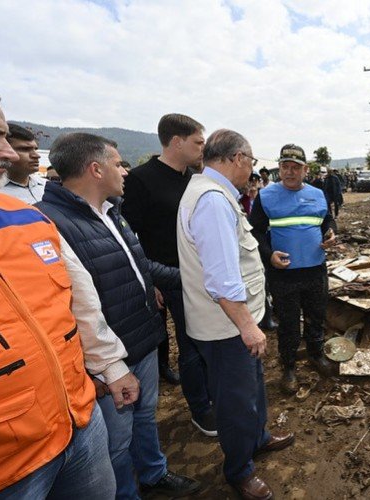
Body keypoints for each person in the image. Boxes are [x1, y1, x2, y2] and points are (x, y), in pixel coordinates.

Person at [0, 78, 120, 498]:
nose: (9, 152)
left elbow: (79, 302)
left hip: (78, 425)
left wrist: (108, 364)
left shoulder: (26, 218)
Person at [37, 133, 201, 499]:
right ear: (95, 169)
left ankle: (154, 472)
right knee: (115, 441)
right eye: (117, 164)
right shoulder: (51, 224)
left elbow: (140, 266)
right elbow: (80, 307)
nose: (125, 172)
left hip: (140, 338)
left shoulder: (113, 212)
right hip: (108, 358)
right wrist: (109, 366)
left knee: (145, 417)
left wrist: (193, 279)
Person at [177, 129, 294, 500]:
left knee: (252, 388)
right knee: (234, 400)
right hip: (226, 328)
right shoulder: (212, 200)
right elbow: (222, 278)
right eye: (252, 161)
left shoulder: (214, 194)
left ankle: (257, 438)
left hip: (236, 322)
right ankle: (240, 469)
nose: (251, 169)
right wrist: (248, 327)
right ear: (238, 159)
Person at [121, 113, 217, 436]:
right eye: (198, 142)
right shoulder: (141, 179)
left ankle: (210, 395)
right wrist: (151, 282)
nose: (203, 148)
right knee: (190, 345)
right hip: (170, 279)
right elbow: (129, 239)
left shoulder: (194, 178)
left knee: (207, 340)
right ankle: (201, 410)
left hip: (201, 275)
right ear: (176, 142)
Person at [249, 144, 336, 394]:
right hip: (284, 274)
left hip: (315, 270)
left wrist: (331, 234)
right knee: (288, 323)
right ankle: (288, 367)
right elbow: (254, 231)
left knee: (316, 316)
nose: (289, 172)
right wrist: (268, 255)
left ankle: (315, 354)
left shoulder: (318, 194)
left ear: (305, 170)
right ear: (279, 169)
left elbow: (327, 221)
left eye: (295, 167)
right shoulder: (266, 196)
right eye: (285, 167)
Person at [0, 123, 47, 204]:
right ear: (2, 152)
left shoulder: (47, 186)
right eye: (25, 149)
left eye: (35, 149)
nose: (36, 155)